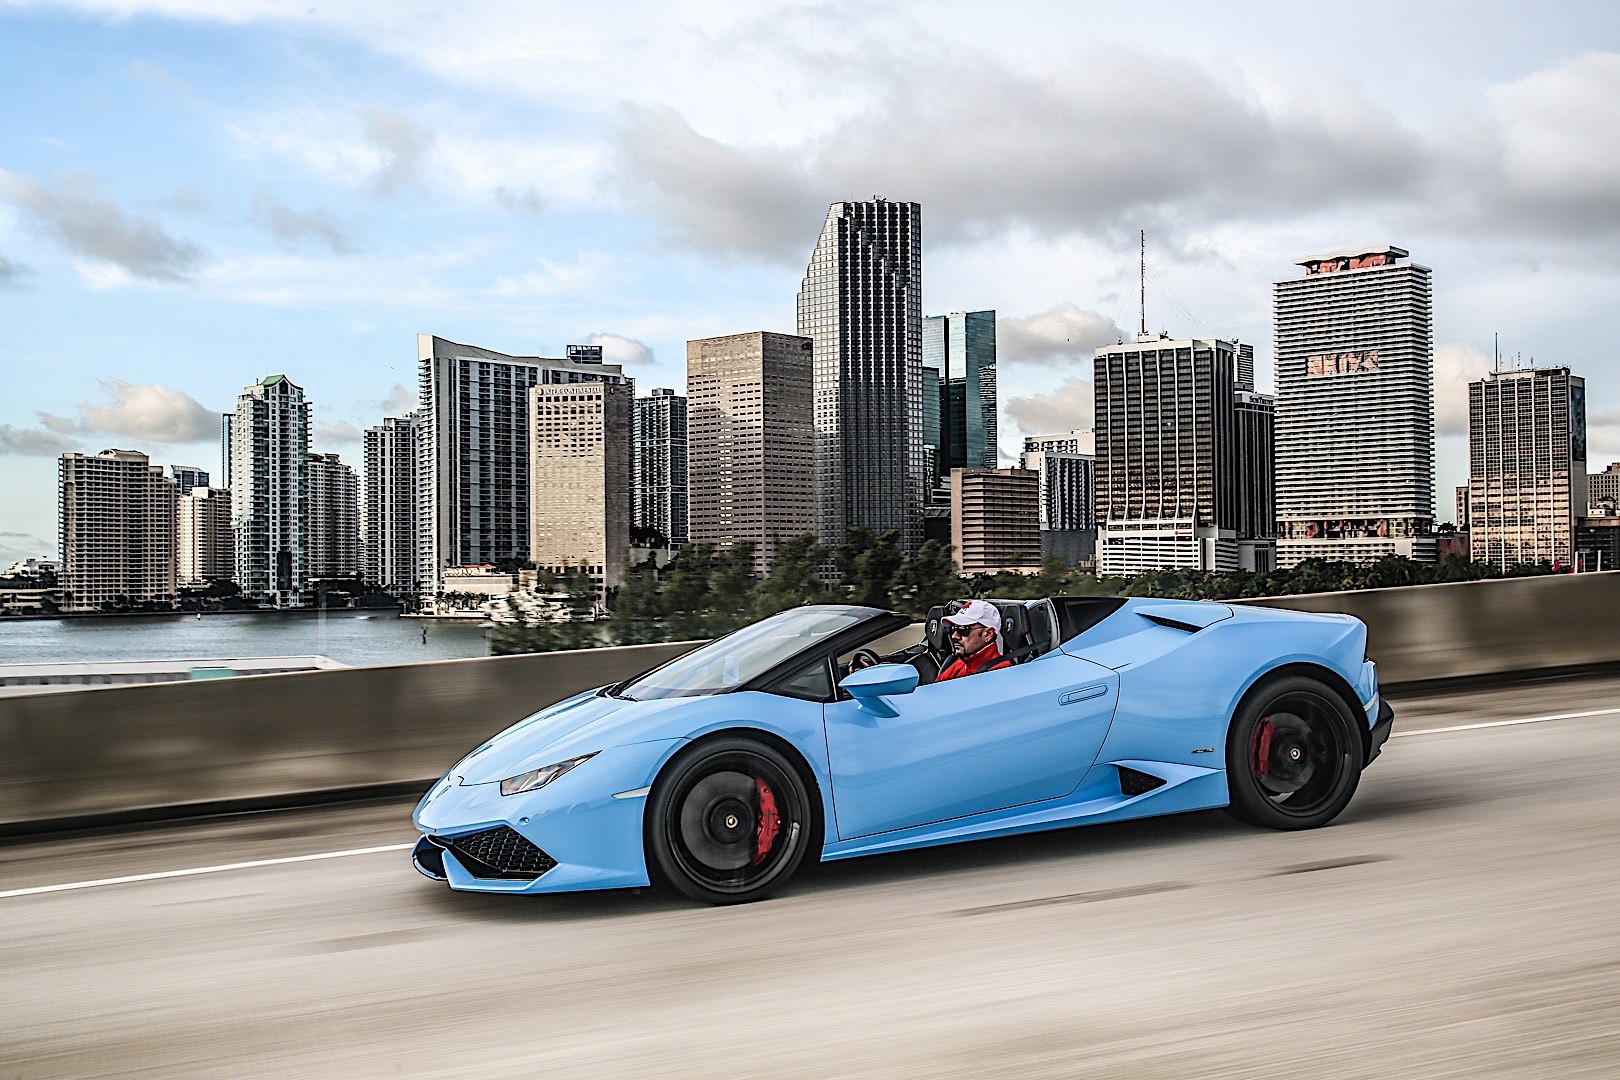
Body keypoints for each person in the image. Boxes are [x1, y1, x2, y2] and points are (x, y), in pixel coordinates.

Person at [935, 599, 1012, 681]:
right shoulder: (958, 666)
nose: (954, 636)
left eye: (963, 630)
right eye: (954, 629)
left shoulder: (1002, 673)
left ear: (988, 634)